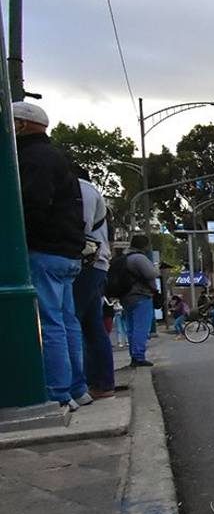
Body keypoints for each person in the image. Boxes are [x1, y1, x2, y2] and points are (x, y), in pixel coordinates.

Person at [13, 101, 90, 410]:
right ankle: (77, 388)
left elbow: (32, 205)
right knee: (67, 321)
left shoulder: (31, 159)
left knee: (49, 324)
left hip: (44, 250)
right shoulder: (57, 158)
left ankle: (58, 392)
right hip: (67, 252)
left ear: (20, 125)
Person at [72, 167, 116, 399]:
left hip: (88, 265)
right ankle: (100, 384)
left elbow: (82, 227)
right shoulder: (88, 191)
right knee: (91, 325)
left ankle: (79, 385)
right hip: (93, 265)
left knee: (72, 322)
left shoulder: (84, 189)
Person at [121, 234, 159, 367]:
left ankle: (134, 355)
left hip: (126, 296)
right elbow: (151, 274)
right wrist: (156, 268)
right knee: (141, 328)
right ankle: (139, 356)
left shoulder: (124, 258)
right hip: (141, 295)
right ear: (145, 245)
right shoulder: (139, 258)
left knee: (131, 328)